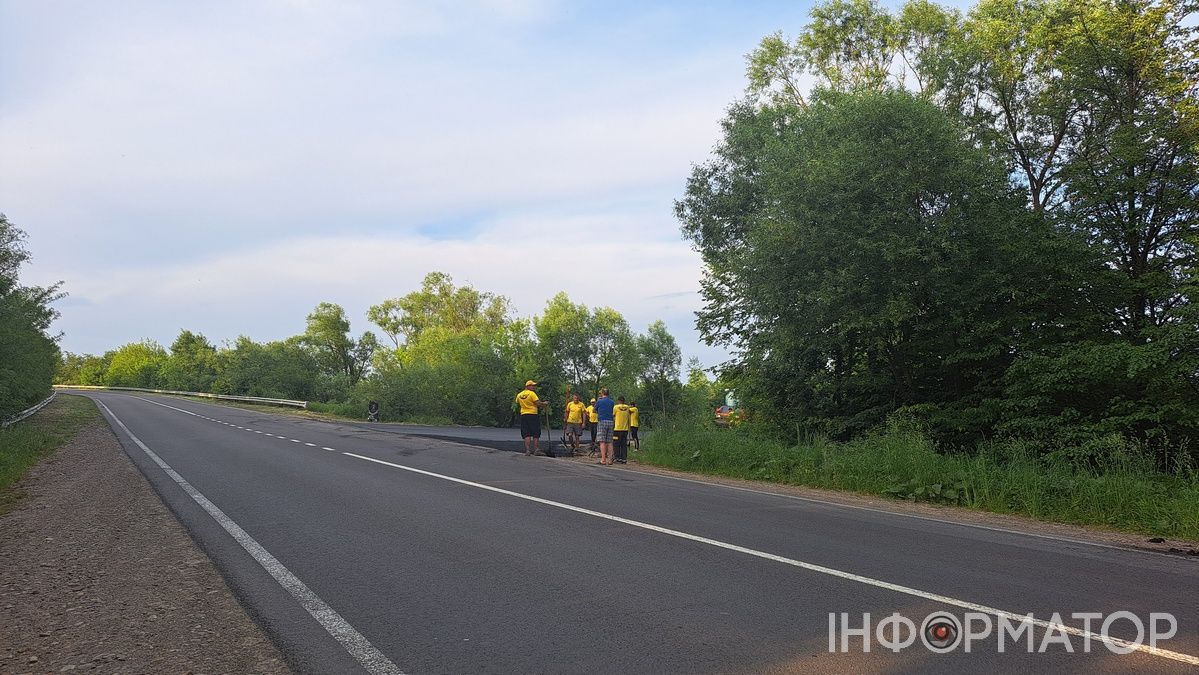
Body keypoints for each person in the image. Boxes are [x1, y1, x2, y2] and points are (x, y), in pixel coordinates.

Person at [515, 380, 548, 456]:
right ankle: (536, 449)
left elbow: (517, 402)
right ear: (528, 386)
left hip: (524, 414)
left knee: (526, 433)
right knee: (535, 432)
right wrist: (544, 404)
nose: (534, 387)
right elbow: (538, 403)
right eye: (532, 385)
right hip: (533, 414)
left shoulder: (519, 395)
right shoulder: (532, 394)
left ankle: (527, 450)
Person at [594, 389, 616, 465]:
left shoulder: (599, 401)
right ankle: (610, 460)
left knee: (602, 441)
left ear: (602, 393)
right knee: (609, 441)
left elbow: (594, 410)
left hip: (602, 421)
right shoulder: (612, 402)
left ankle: (603, 460)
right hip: (610, 421)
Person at [613, 396, 631, 464]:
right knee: (623, 444)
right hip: (625, 429)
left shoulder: (616, 407)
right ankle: (624, 458)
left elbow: (613, 416)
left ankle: (617, 458)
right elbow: (629, 418)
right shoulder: (627, 407)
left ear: (618, 401)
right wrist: (629, 428)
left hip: (617, 429)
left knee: (616, 444)